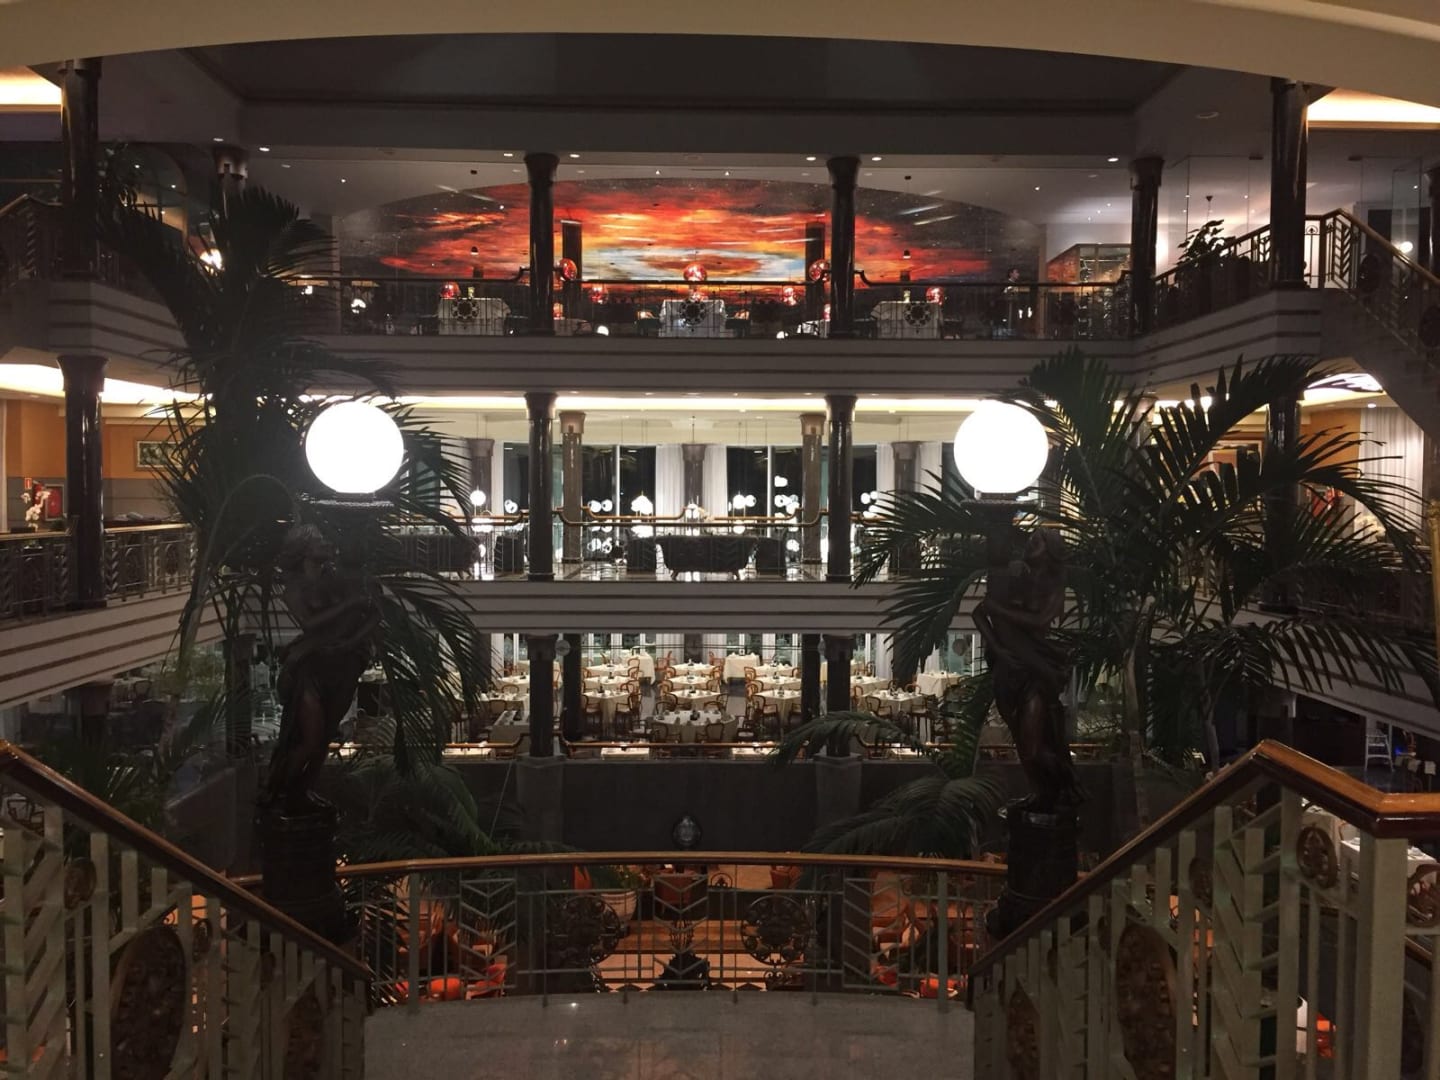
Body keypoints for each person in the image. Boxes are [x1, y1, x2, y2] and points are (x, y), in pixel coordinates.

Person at [264, 524, 379, 813]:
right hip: (312, 669)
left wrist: (351, 641)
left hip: (343, 664)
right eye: (318, 541)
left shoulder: (336, 579)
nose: (326, 543)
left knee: (325, 736)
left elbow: (372, 613)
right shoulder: (294, 589)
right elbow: (309, 623)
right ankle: (276, 795)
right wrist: (349, 605)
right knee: (309, 738)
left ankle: (302, 792)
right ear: (304, 550)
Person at [972, 526, 1082, 810]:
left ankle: (1064, 786)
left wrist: (1000, 611)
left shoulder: (1054, 585)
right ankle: (1040, 794)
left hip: (1034, 670)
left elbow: (1040, 620)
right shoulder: (1014, 578)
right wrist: (998, 649)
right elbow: (979, 612)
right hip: (1008, 668)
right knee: (1022, 744)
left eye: (1038, 541)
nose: (1031, 543)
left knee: (1033, 747)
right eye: (1031, 539)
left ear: (1051, 550)